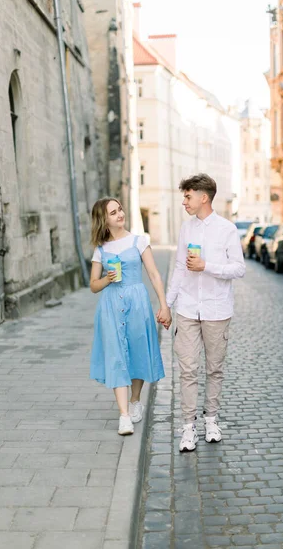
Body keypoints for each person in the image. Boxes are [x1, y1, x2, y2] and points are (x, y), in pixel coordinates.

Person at [161, 174, 246, 452]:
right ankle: (188, 428)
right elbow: (178, 268)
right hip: (186, 307)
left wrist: (207, 266)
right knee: (187, 370)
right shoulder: (186, 229)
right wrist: (167, 305)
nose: (184, 201)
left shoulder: (227, 229)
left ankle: (211, 420)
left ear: (203, 197)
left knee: (214, 368)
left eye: (188, 196)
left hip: (216, 309)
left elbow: (239, 268)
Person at [89, 197, 170, 435]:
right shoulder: (101, 249)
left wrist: (164, 306)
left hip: (138, 303)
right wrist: (107, 279)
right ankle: (124, 415)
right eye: (113, 213)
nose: (120, 214)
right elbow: (93, 285)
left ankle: (135, 400)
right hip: (111, 305)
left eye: (120, 209)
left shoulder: (139, 241)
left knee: (137, 353)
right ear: (104, 220)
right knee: (116, 356)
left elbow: (154, 274)